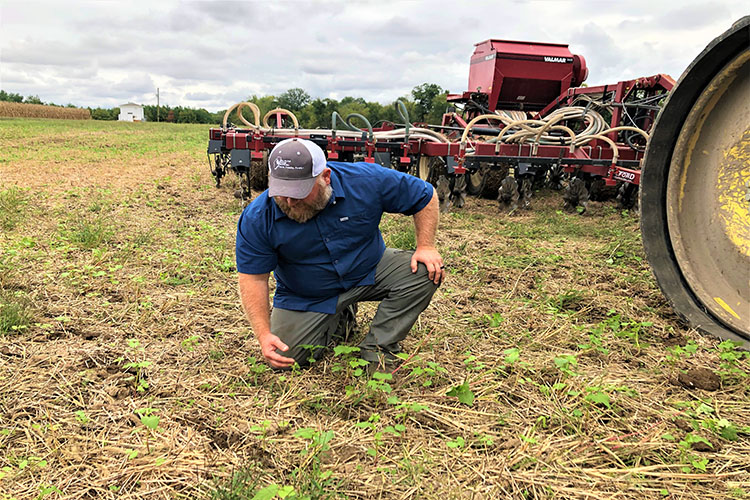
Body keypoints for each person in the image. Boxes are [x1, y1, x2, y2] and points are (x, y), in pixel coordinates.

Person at [236, 137, 443, 371]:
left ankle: (380, 348)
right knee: (285, 360)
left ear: (325, 177)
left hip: (368, 270)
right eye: (282, 192)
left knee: (426, 271)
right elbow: (253, 278)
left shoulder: (366, 180)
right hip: (307, 293)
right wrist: (263, 335)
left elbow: (424, 195)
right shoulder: (258, 217)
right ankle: (339, 318)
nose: (290, 201)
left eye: (299, 191)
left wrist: (426, 246)